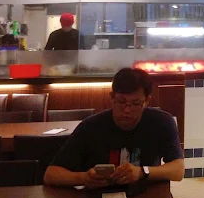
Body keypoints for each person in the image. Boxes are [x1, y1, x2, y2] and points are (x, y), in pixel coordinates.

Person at [44, 68, 185, 189]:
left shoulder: (161, 122)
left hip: (149, 197)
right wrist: (84, 178)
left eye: (135, 103)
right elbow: (50, 174)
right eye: (121, 102)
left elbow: (178, 170)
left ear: (147, 101)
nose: (127, 110)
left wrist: (142, 172)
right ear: (112, 97)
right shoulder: (91, 126)